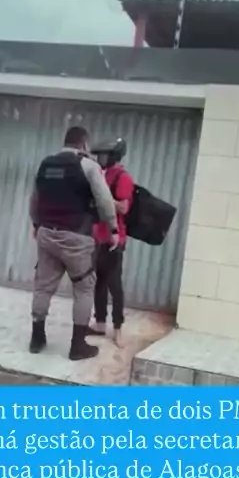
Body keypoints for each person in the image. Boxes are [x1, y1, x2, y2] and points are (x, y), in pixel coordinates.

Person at [29, 126, 119, 361]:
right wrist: (113, 228)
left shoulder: (46, 164)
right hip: (76, 238)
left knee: (43, 287)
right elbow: (104, 200)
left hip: (47, 234)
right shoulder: (88, 166)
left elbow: (35, 198)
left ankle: (37, 338)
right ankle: (77, 346)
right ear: (84, 144)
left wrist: (36, 223)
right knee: (84, 288)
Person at [88, 138, 134, 348]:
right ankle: (99, 323)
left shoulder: (123, 178)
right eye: (99, 155)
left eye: (104, 155)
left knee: (114, 285)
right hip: (98, 237)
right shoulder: (102, 175)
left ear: (114, 156)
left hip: (115, 239)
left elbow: (123, 207)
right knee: (99, 282)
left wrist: (104, 199)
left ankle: (118, 328)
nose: (100, 158)